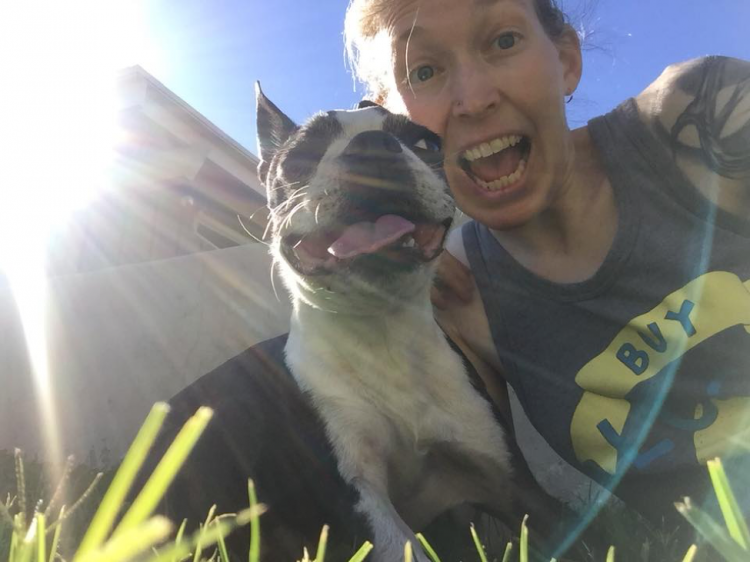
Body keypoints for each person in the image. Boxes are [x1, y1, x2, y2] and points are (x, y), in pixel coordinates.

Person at [344, 0, 750, 538]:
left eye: (503, 41)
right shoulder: (459, 303)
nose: (475, 98)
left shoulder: (698, 117)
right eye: (424, 71)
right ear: (389, 126)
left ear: (566, 60)